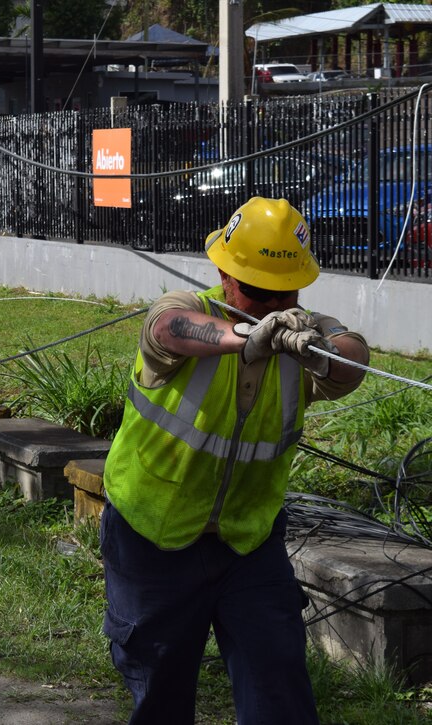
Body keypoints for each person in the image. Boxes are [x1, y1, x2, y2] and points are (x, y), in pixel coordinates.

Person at [100, 197, 370, 725]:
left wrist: (322, 352)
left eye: (282, 292)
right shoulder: (187, 310)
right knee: (161, 693)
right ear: (224, 274)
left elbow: (351, 357)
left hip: (248, 542)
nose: (270, 304)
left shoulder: (305, 332)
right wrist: (247, 337)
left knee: (279, 686)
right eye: (254, 291)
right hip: (153, 535)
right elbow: (167, 327)